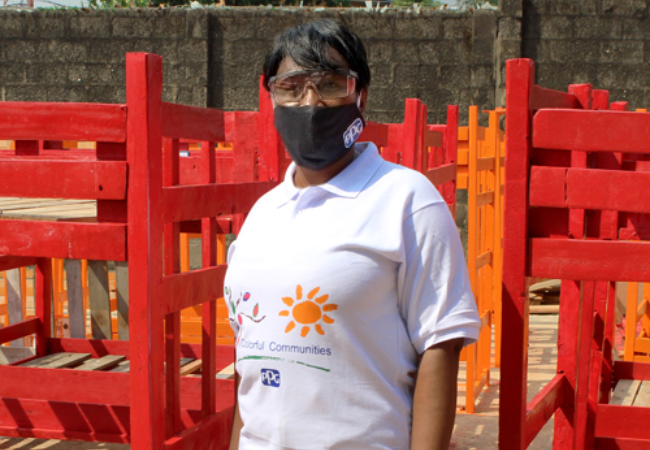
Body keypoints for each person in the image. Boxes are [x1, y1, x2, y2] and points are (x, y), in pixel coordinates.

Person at [224, 19, 480, 450]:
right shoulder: (262, 215)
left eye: (329, 85)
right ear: (271, 96)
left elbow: (441, 346)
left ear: (361, 95)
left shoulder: (407, 199)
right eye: (291, 86)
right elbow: (249, 368)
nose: (310, 102)